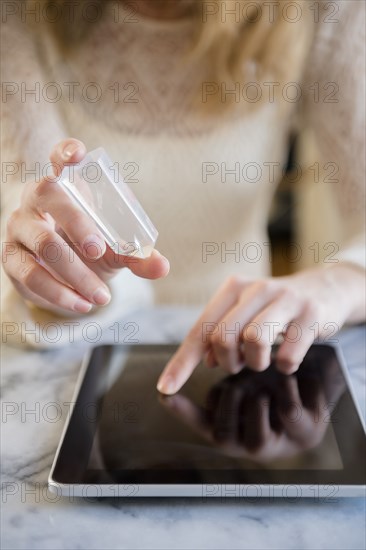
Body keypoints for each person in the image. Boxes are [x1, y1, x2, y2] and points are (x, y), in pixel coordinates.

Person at [1, 0, 365, 395]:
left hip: (239, 353)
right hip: (76, 362)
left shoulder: (322, 10)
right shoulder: (20, 15)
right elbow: (29, 233)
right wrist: (74, 275)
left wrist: (339, 283)